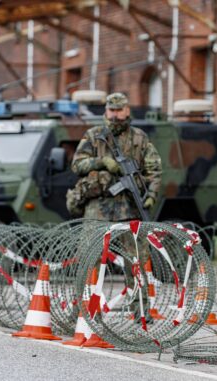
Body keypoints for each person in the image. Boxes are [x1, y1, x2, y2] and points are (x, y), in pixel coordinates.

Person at [69, 92, 162, 321]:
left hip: (129, 208)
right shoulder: (94, 136)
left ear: (127, 111)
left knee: (137, 261)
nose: (116, 114)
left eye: (120, 110)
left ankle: (141, 309)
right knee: (89, 259)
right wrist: (102, 162)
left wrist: (150, 195)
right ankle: (81, 309)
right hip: (98, 207)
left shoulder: (139, 138)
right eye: (112, 110)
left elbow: (154, 171)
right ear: (106, 111)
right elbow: (77, 164)